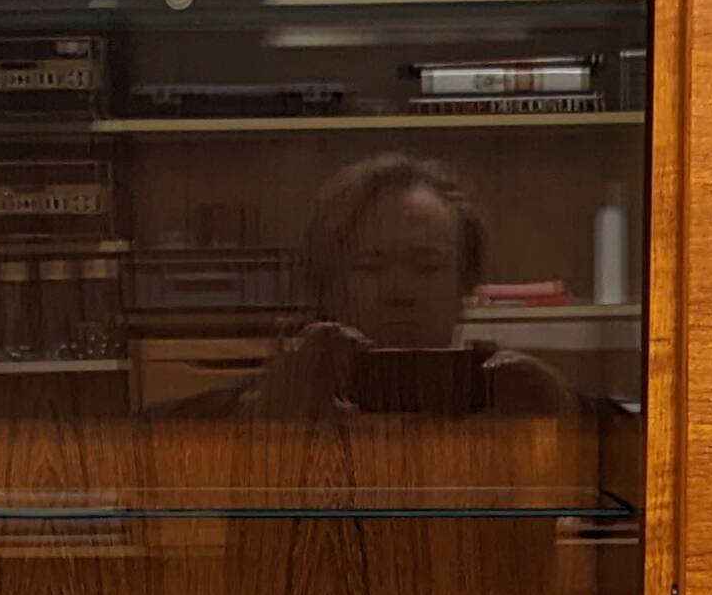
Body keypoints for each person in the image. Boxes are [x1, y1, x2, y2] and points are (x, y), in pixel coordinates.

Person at [181, 153, 585, 421]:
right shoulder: (273, 406)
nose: (399, 292)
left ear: (465, 288)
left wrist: (564, 415)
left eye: (426, 268)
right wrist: (261, 420)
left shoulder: (510, 395)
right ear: (329, 283)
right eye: (370, 267)